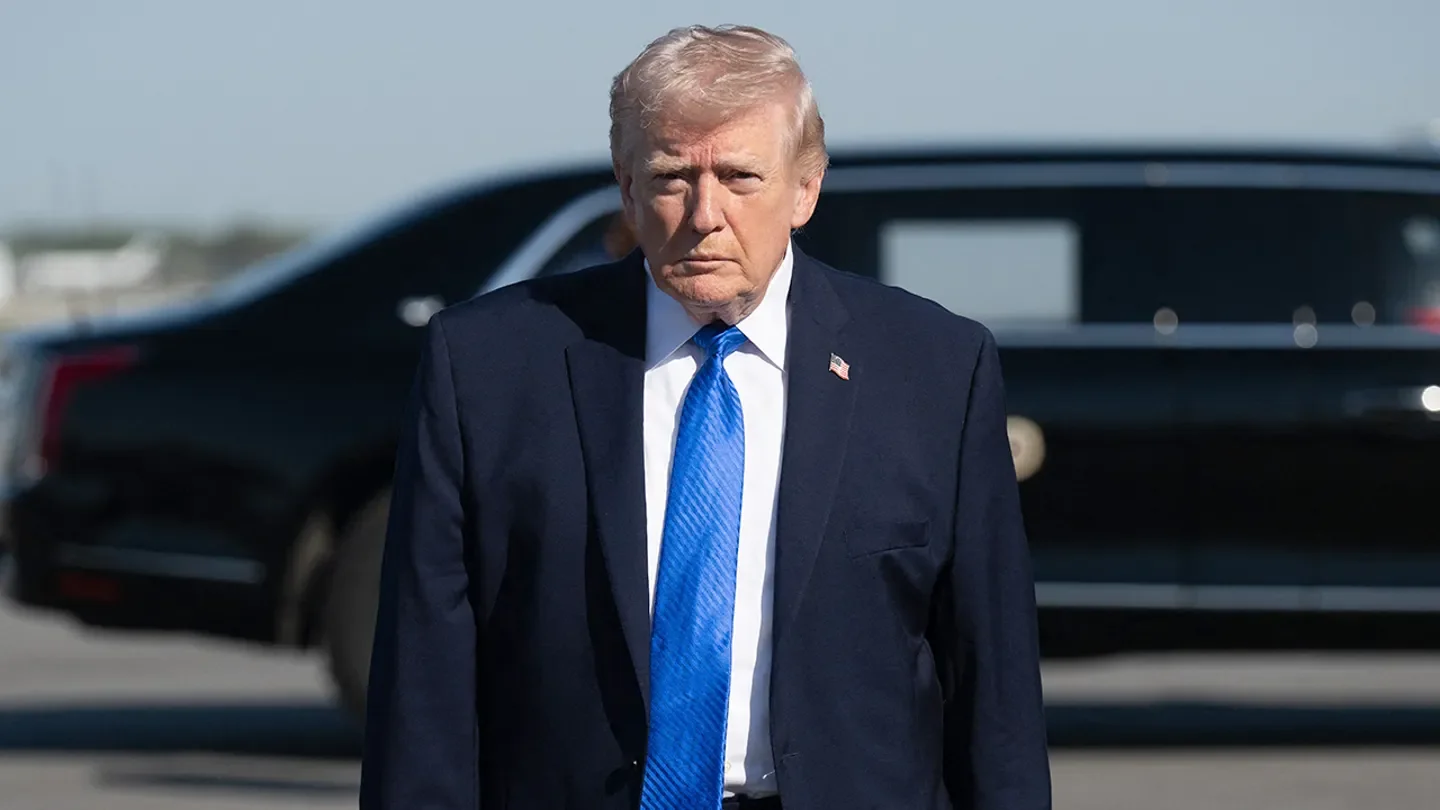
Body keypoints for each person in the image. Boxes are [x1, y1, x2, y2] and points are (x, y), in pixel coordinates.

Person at [360, 23, 1052, 810]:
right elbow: (425, 680)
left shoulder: (932, 368)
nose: (704, 214)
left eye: (741, 177)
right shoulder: (487, 367)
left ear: (806, 188)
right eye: (671, 177)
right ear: (625, 187)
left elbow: (992, 685)